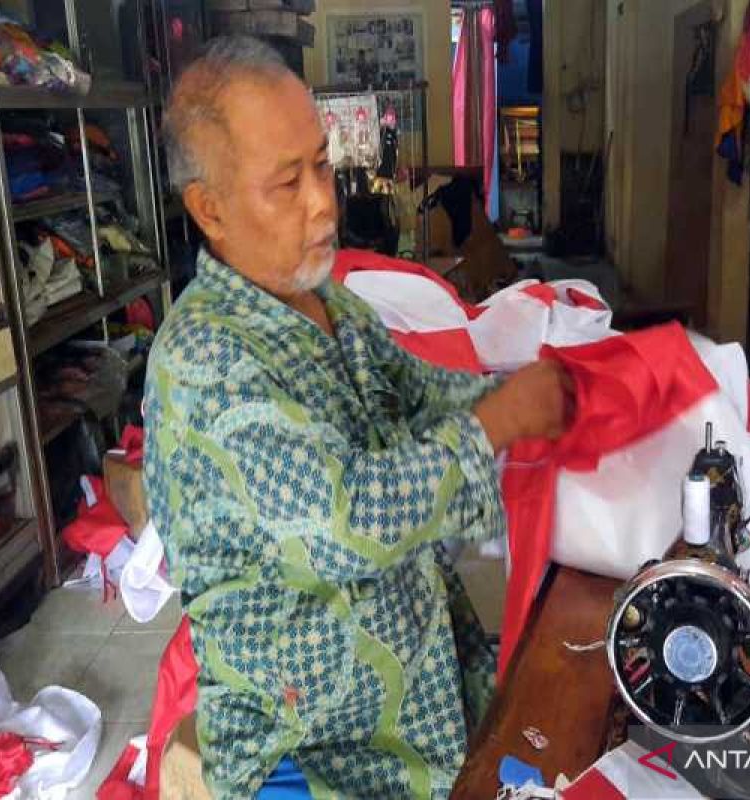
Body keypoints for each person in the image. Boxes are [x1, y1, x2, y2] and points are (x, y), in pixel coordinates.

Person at [144, 37, 572, 798]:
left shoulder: (326, 300)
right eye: (287, 182)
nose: (323, 201)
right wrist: (496, 424)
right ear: (209, 208)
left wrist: (526, 394)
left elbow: (414, 393)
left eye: (321, 165)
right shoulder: (204, 361)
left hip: (409, 700)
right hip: (312, 747)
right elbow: (348, 519)